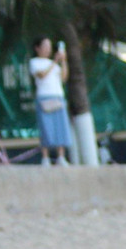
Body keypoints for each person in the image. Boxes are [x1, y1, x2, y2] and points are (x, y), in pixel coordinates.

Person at [29, 36, 71, 165]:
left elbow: (63, 78)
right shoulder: (34, 62)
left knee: (60, 126)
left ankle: (61, 156)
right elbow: (42, 75)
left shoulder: (55, 64)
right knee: (46, 127)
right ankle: (45, 157)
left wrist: (63, 61)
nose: (48, 49)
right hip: (44, 97)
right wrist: (54, 61)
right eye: (45, 46)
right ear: (37, 48)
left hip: (57, 96)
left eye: (49, 46)